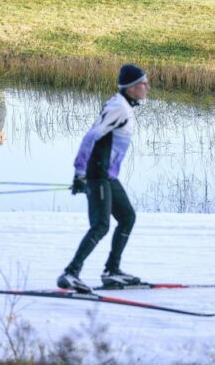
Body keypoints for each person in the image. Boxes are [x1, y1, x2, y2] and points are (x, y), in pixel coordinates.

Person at [57, 64, 151, 293]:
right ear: (131, 88)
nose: (147, 87)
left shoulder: (123, 107)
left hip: (108, 176)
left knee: (127, 217)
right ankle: (71, 273)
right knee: (100, 225)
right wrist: (81, 173)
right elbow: (91, 136)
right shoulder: (119, 107)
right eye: (143, 83)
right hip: (98, 175)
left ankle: (112, 270)